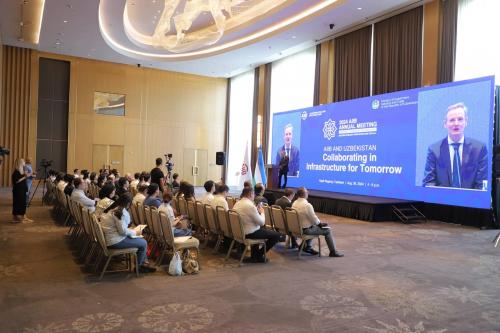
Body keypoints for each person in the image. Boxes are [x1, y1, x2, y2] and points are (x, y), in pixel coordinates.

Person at [423, 103, 488, 189]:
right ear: (445, 124)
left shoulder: (479, 149)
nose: (456, 123)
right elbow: (428, 183)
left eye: (460, 119)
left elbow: (482, 184)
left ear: (466, 122)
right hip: (441, 201)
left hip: (470, 201)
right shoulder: (434, 150)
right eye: (452, 120)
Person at [100, 193, 156, 273]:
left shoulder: (113, 209)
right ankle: (139, 267)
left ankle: (144, 263)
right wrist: (134, 231)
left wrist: (132, 231)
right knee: (143, 243)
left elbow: (122, 229)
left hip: (112, 238)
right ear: (128, 204)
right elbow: (122, 231)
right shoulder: (119, 212)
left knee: (140, 239)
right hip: (115, 241)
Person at [233, 187, 281, 263]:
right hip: (249, 233)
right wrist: (262, 212)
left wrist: (256, 210)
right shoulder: (249, 205)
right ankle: (258, 255)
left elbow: (248, 215)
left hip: (239, 231)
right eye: (253, 194)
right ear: (250, 194)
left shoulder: (238, 203)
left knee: (260, 230)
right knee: (276, 235)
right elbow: (262, 222)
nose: (254, 196)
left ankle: (255, 256)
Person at [292, 187, 343, 257]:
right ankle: (333, 252)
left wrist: (318, 224)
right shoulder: (307, 205)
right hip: (305, 230)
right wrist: (320, 224)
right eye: (307, 192)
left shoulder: (294, 203)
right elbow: (314, 219)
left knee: (314, 226)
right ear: (305, 194)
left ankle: (306, 247)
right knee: (327, 230)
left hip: (296, 229)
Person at [11, 158, 33, 223]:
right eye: (23, 161)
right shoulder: (16, 171)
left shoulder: (21, 171)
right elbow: (17, 180)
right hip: (18, 190)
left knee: (21, 204)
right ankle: (19, 218)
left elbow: (23, 177)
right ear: (20, 163)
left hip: (21, 189)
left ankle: (22, 217)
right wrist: (25, 176)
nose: (24, 162)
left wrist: (29, 174)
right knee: (19, 204)